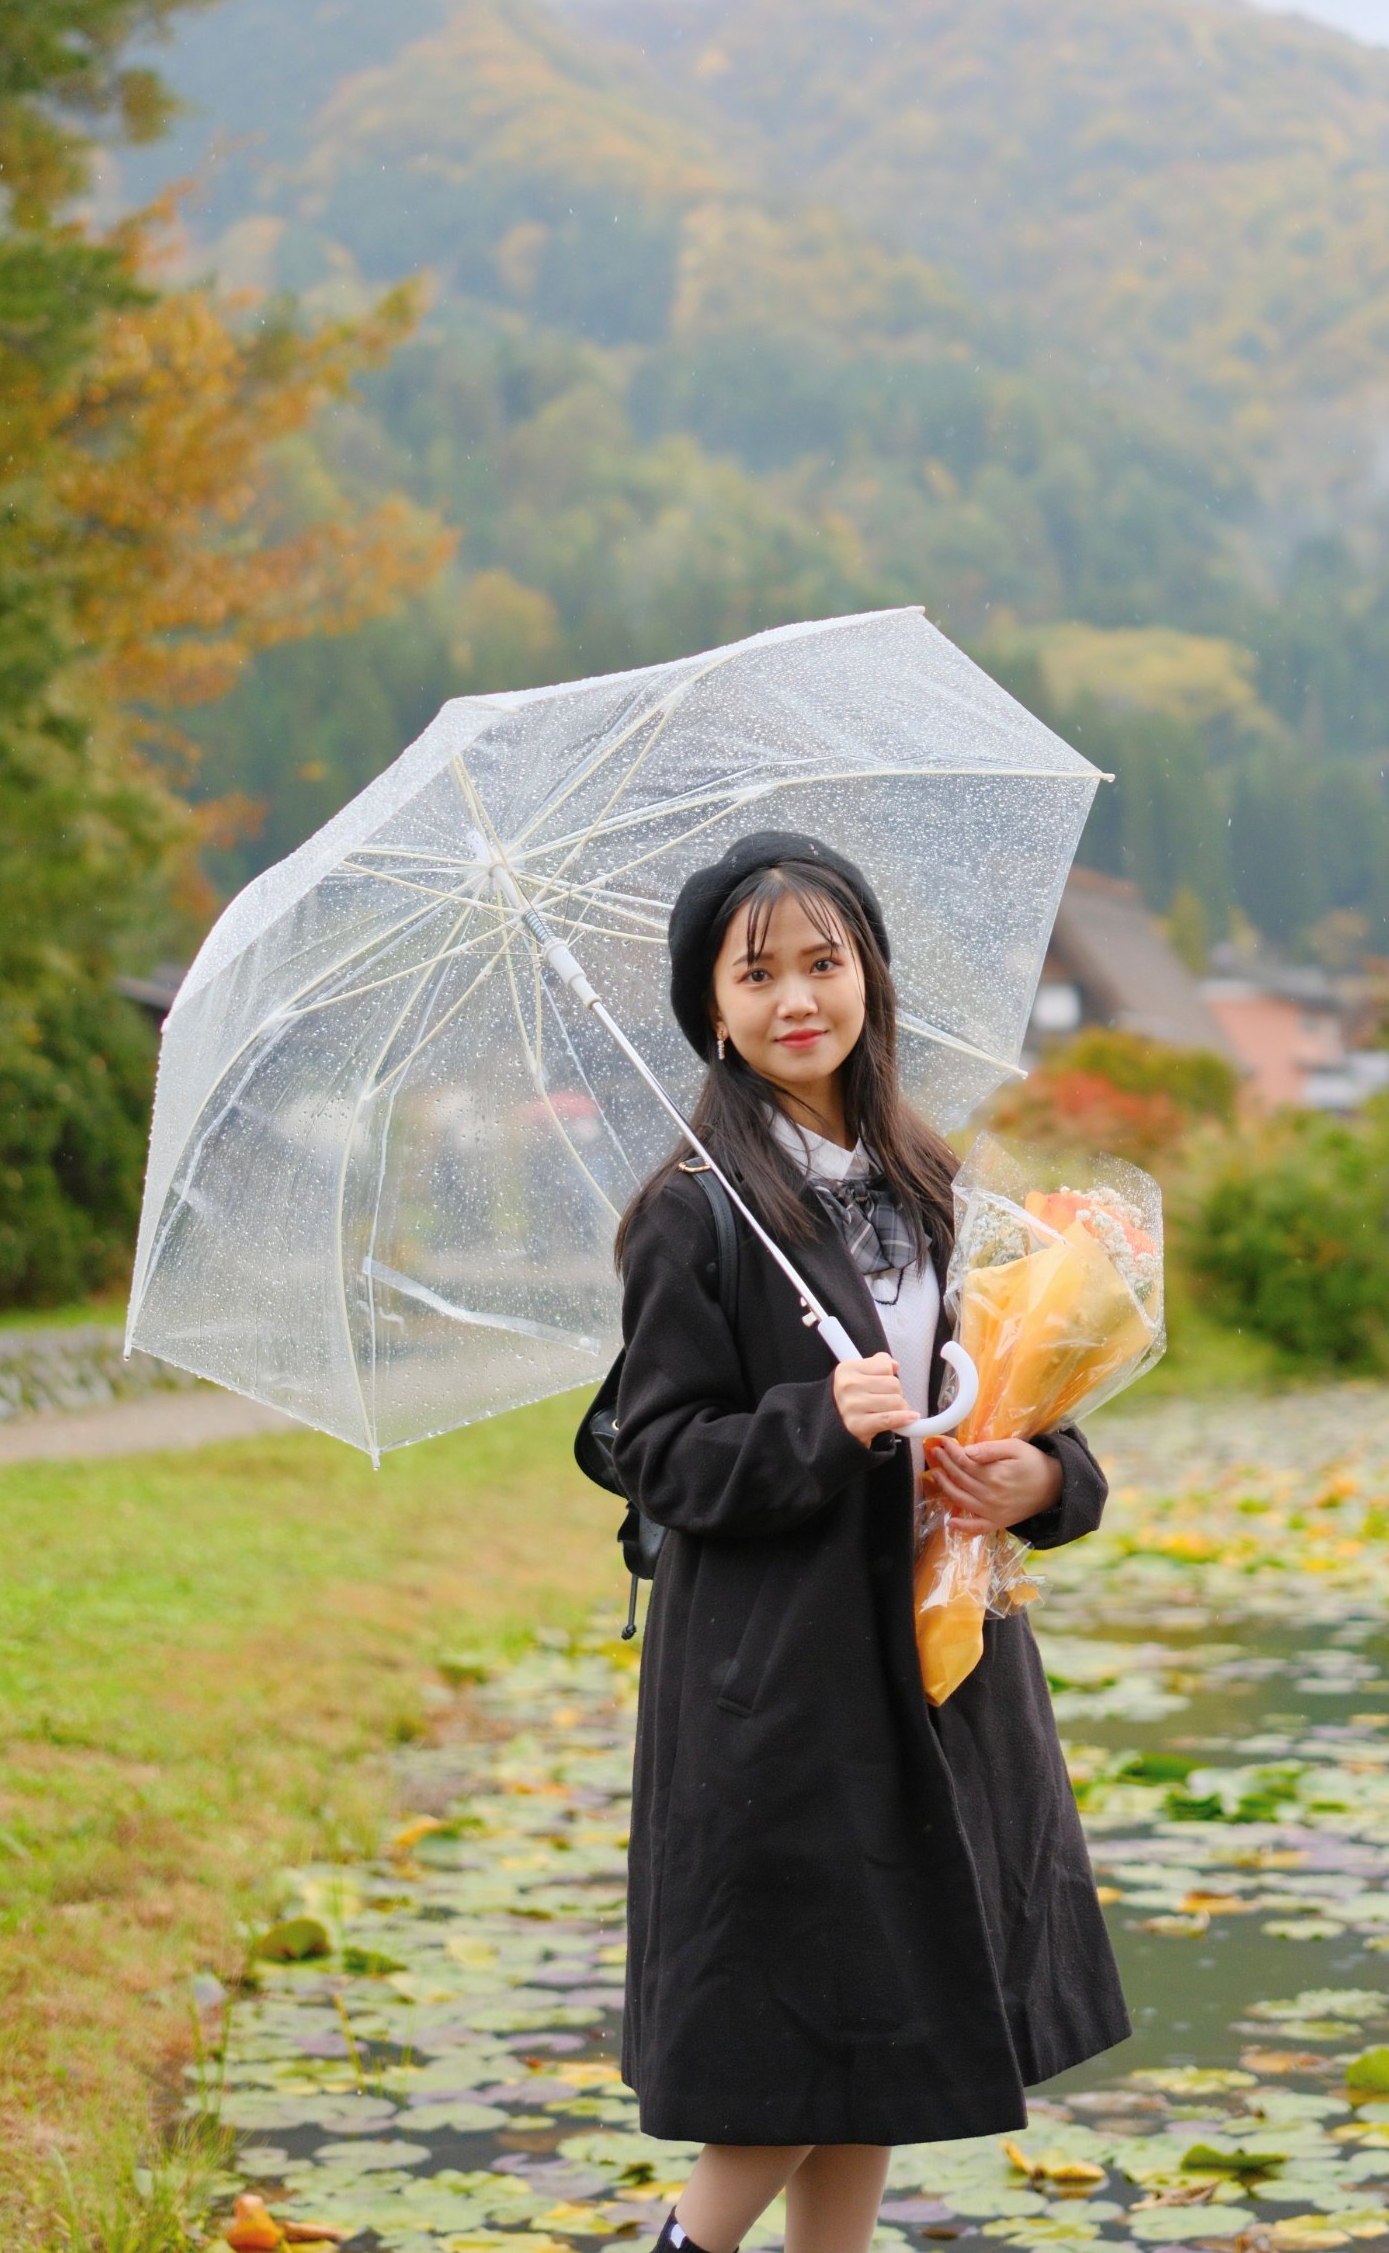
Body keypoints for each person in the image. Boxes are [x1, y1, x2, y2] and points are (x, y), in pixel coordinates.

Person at [611, 831, 1129, 2253]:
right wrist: (811, 1421)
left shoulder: (935, 1186)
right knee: (789, 2041)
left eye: (823, 963)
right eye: (757, 971)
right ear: (710, 1008)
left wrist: (1042, 1482)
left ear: (869, 977)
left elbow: (1021, 1403)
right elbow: (658, 1456)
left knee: (880, 2034)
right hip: (787, 1685)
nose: (797, 999)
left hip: (940, 1663)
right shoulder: (688, 1216)